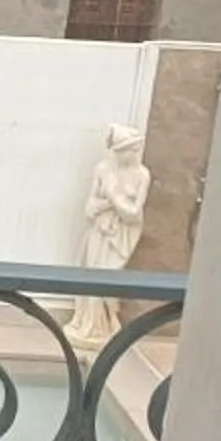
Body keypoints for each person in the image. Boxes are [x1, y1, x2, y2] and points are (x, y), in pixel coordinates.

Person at [67, 124, 151, 353]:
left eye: (126, 151)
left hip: (121, 237)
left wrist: (113, 196)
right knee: (92, 276)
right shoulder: (103, 169)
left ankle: (107, 324)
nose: (122, 156)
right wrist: (112, 202)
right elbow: (89, 208)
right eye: (119, 151)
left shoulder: (142, 175)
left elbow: (133, 214)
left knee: (108, 279)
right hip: (99, 232)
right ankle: (90, 324)